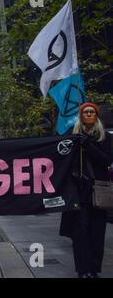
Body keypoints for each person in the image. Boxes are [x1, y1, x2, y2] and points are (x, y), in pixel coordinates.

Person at [60, 102, 113, 278]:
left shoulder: (105, 138)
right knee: (80, 234)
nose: (89, 114)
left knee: (97, 234)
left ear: (96, 116)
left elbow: (106, 161)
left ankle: (94, 270)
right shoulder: (73, 136)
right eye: (85, 112)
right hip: (78, 193)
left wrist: (89, 146)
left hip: (98, 193)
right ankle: (82, 270)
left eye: (92, 112)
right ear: (81, 116)